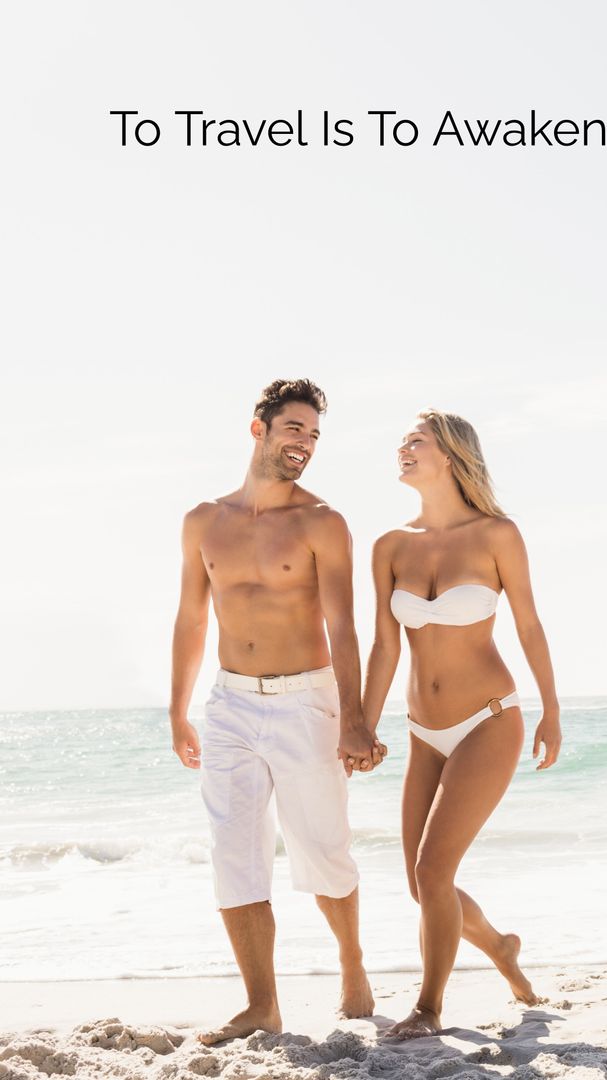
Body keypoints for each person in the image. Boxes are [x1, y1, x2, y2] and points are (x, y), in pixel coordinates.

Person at [169, 378, 383, 1045]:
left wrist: (354, 718)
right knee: (233, 852)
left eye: (314, 435)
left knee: (323, 850)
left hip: (305, 700)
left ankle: (352, 961)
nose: (306, 445)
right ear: (258, 429)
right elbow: (190, 617)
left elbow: (344, 626)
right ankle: (262, 1003)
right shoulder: (204, 521)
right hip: (230, 702)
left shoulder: (322, 521)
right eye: (295, 429)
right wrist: (178, 709)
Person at [362, 408, 562, 1039]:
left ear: (448, 455)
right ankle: (500, 947)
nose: (402, 449)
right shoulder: (389, 545)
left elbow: (528, 624)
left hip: (488, 720)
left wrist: (552, 711)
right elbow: (385, 647)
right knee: (426, 887)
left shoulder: (497, 534)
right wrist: (361, 728)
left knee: (432, 873)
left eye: (414, 441)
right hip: (423, 731)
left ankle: (429, 1007)